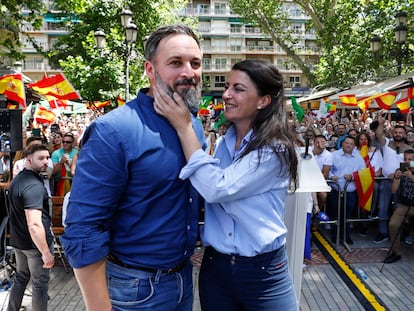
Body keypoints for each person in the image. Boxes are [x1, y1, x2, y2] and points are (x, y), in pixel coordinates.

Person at [61, 24, 206, 311]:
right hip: (135, 289)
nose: (188, 72)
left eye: (195, 63)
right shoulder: (112, 131)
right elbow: (83, 228)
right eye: (175, 62)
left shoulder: (194, 126)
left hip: (184, 279)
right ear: (150, 70)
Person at [153, 59, 298, 310]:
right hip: (216, 269)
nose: (227, 94)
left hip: (264, 273)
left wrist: (184, 127)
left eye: (238, 89)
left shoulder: (275, 149)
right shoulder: (224, 144)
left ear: (263, 101)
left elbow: (217, 188)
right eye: (228, 86)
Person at [7, 144, 55, 311]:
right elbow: (34, 224)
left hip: (20, 242)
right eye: (41, 158)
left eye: (48, 158)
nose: (46, 162)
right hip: (35, 245)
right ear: (29, 159)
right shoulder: (33, 185)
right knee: (40, 284)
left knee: (21, 277)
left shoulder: (18, 180)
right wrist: (46, 252)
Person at [328, 136, 365, 245]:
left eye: (351, 143)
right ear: (342, 143)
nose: (348, 145)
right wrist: (331, 176)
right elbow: (326, 169)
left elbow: (363, 172)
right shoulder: (333, 155)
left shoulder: (358, 158)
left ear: (354, 146)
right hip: (336, 190)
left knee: (347, 215)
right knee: (335, 214)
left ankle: (346, 236)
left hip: (350, 192)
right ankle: (335, 235)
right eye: (346, 143)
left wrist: (353, 176)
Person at [385, 149, 414, 263]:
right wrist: (396, 178)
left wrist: (412, 177)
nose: (407, 162)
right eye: (405, 159)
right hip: (404, 204)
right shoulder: (401, 170)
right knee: (393, 225)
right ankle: (396, 252)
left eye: (410, 160)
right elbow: (393, 191)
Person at [51, 132, 78, 196]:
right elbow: (54, 172)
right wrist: (61, 162)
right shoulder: (56, 153)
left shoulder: (77, 153)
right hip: (59, 182)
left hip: (73, 182)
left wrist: (68, 163)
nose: (65, 144)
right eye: (64, 142)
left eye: (68, 142)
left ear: (72, 143)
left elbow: (77, 171)